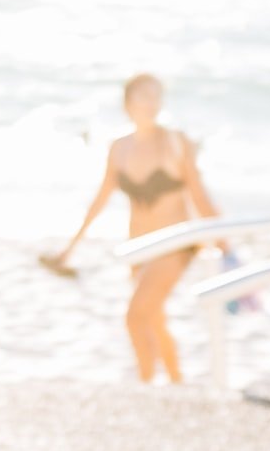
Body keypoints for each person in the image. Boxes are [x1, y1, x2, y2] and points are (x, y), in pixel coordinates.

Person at [43, 74, 223, 384]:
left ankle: (146, 387)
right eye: (144, 96)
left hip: (175, 243)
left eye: (157, 96)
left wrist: (225, 244)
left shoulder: (175, 142)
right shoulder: (119, 147)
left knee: (135, 316)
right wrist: (70, 248)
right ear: (128, 103)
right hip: (138, 247)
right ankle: (177, 383)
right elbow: (99, 201)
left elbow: (199, 193)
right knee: (153, 318)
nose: (152, 104)